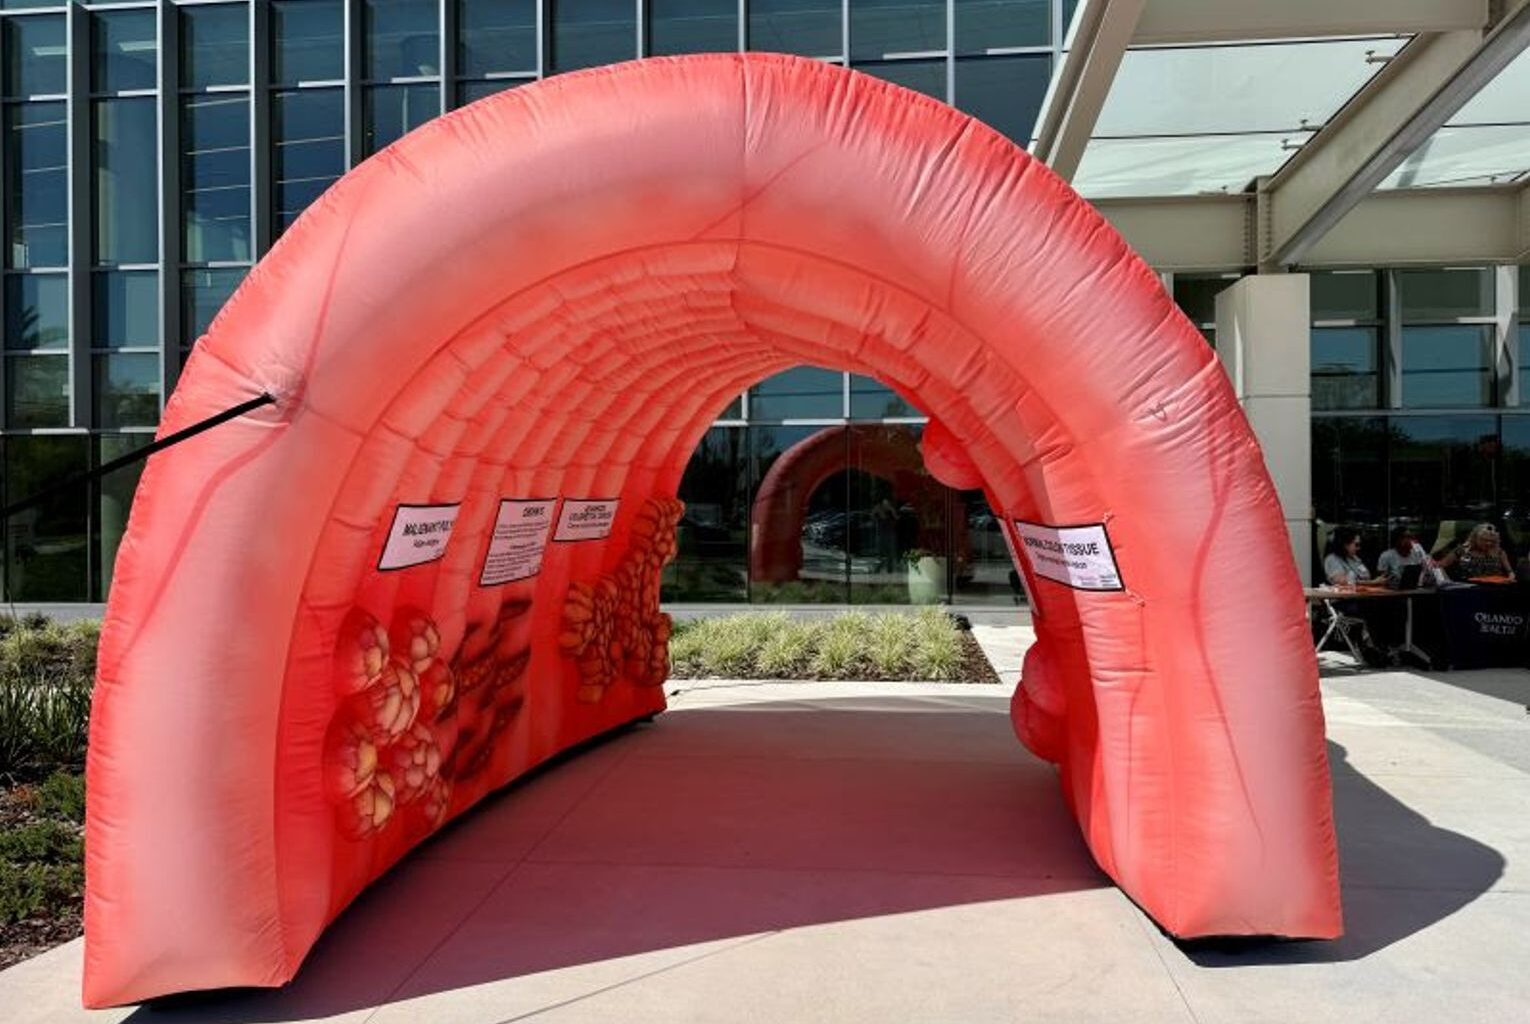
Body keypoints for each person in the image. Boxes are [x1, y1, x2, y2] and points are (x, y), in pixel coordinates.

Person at [1436, 522, 1513, 582]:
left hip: (1494, 589)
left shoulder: (1500, 552)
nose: (1488, 543)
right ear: (1475, 538)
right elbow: (1440, 565)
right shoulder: (1462, 550)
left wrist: (1511, 577)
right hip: (1467, 588)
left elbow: (1510, 572)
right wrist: (1445, 581)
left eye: (1492, 541)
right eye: (1484, 540)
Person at [1323, 528, 1389, 590]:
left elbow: (1365, 576)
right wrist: (1372, 582)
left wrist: (1377, 581)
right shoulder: (1332, 559)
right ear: (1345, 545)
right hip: (1343, 599)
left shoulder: (1355, 558)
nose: (1358, 548)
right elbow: (1343, 582)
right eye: (1356, 545)